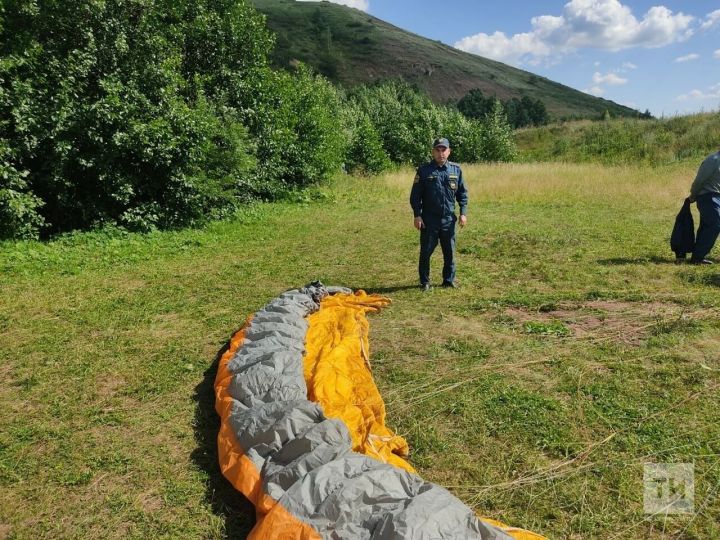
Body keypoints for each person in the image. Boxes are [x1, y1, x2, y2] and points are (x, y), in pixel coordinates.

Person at [410, 138, 468, 291]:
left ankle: (448, 280)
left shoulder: (456, 170)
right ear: (433, 152)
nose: (441, 153)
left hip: (448, 219)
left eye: (444, 150)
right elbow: (415, 196)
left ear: (449, 152)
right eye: (438, 150)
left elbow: (462, 194)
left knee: (449, 251)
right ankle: (425, 282)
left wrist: (463, 213)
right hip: (429, 219)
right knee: (426, 252)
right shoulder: (424, 171)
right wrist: (417, 215)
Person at [688, 148, 720, 264]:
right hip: (708, 197)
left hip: (717, 198)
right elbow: (700, 180)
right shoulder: (713, 160)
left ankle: (697, 257)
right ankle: (698, 257)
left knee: (707, 226)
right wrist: (693, 194)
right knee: (715, 224)